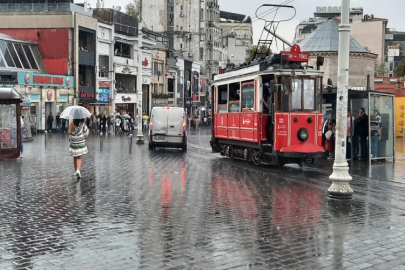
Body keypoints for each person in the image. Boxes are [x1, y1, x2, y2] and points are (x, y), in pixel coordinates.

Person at [68, 110, 89, 179]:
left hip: (73, 142)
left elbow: (69, 132)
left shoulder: (72, 123)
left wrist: (74, 134)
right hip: (80, 142)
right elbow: (86, 133)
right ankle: (78, 170)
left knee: (75, 156)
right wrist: (82, 136)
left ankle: (76, 170)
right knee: (80, 157)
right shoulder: (83, 123)